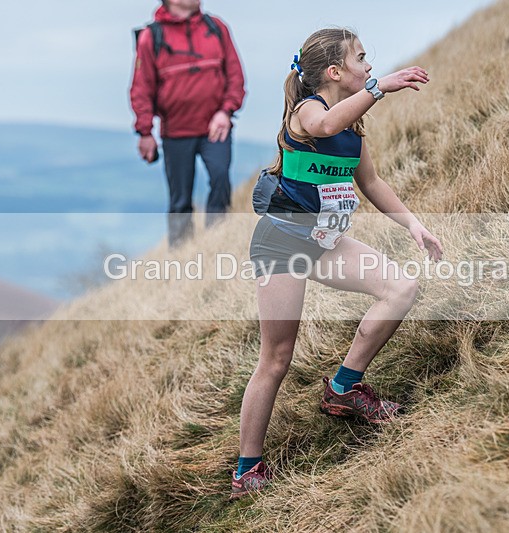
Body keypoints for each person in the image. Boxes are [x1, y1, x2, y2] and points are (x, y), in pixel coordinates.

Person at [230, 28, 443, 499]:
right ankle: (248, 470)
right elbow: (323, 127)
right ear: (335, 73)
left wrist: (413, 225)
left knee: (401, 288)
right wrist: (378, 88)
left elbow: (372, 181)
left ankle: (344, 388)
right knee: (277, 358)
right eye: (361, 60)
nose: (369, 67)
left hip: (325, 243)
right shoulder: (308, 111)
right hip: (281, 247)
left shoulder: (353, 129)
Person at [130, 0, 245, 247]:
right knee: (180, 199)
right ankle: (180, 256)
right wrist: (145, 132)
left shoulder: (216, 27)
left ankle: (218, 243)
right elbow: (141, 88)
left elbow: (235, 76)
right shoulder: (152, 36)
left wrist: (225, 112)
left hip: (215, 127)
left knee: (221, 179)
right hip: (176, 132)